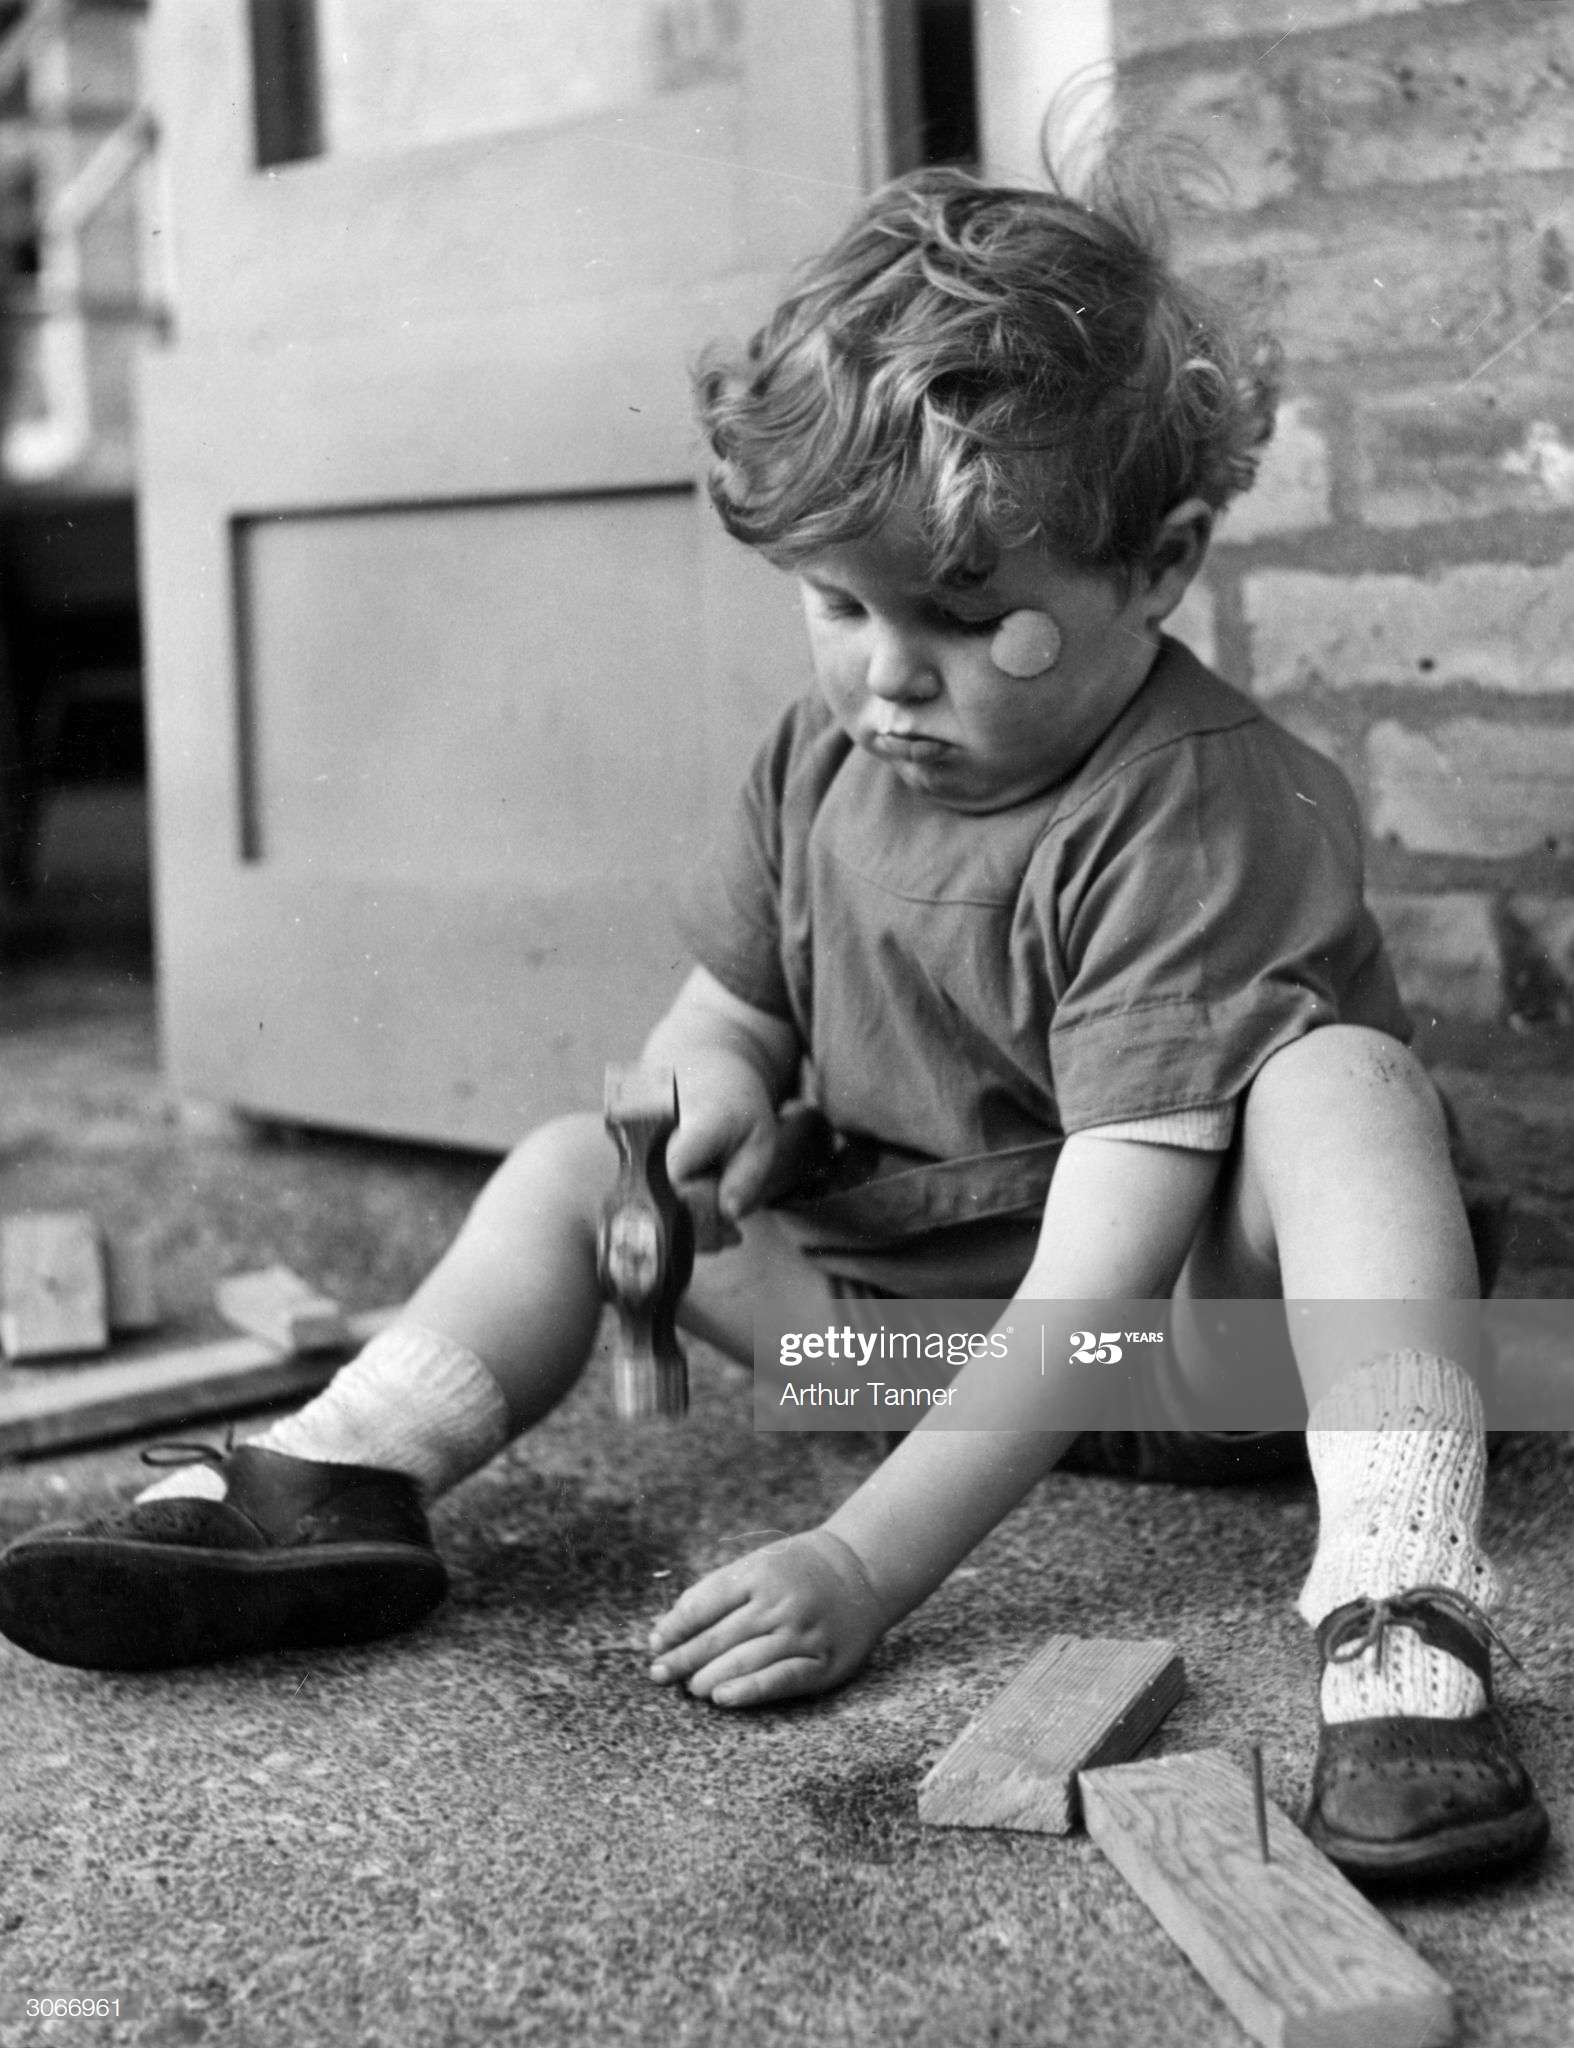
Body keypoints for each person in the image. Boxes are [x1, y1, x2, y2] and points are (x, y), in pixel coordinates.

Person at [0, 166, 1546, 1886]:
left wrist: (868, 1562)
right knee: (569, 1162)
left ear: (1160, 566)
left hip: (1212, 1359)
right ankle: (345, 1473)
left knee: (1342, 1087)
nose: (888, 674)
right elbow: (712, 1021)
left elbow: (1103, 1285)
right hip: (896, 1353)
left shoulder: (1188, 807)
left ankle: (1401, 1597)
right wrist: (706, 1102)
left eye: (965, 618)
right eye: (839, 606)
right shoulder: (820, 763)